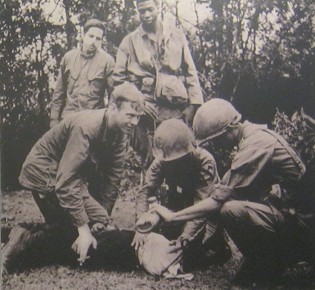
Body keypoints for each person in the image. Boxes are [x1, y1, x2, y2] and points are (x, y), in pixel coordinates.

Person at [153, 98, 315, 286]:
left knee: (230, 210)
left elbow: (216, 200)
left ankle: (270, 266)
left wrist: (173, 217)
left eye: (216, 140)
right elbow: (223, 189)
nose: (217, 146)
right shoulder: (253, 138)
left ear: (230, 129)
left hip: (304, 225)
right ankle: (263, 262)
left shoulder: (256, 144)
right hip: (293, 217)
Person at [7, 82, 144, 272]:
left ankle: (20, 231)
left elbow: (113, 180)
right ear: (113, 108)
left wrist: (99, 221)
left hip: (65, 176)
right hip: (43, 172)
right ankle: (20, 242)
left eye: (138, 117)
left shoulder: (122, 134)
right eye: (130, 115)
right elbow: (65, 181)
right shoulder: (86, 126)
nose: (134, 123)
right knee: (72, 233)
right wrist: (84, 228)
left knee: (90, 223)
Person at [113, 0, 203, 166]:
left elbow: (190, 71)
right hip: (146, 110)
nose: (146, 15)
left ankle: (178, 190)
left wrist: (193, 105)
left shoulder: (176, 36)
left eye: (150, 10)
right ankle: (150, 190)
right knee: (150, 159)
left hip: (174, 108)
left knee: (179, 154)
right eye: (142, 12)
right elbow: (118, 80)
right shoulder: (129, 41)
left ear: (158, 7)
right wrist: (137, 102)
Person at [133, 119, 231, 271]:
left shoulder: (205, 161)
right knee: (164, 243)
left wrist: (184, 239)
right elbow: (145, 191)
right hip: (178, 209)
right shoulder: (162, 160)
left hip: (206, 214)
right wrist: (141, 224)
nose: (172, 163)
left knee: (189, 259)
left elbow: (202, 208)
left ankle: (217, 245)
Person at [50, 18, 115, 128]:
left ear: (101, 41)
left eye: (98, 39)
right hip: (67, 120)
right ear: (83, 35)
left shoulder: (107, 61)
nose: (94, 41)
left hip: (92, 123)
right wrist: (54, 119)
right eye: (91, 36)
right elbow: (59, 93)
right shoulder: (68, 58)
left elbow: (114, 95)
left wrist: (108, 121)